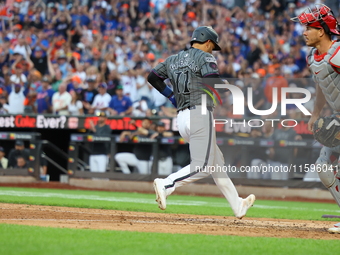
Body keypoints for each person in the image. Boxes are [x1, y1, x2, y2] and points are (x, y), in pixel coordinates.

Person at [147, 26, 255, 219]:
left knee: (216, 164)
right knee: (203, 166)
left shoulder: (173, 59)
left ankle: (237, 205)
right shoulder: (204, 57)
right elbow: (212, 80)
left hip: (182, 118)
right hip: (199, 114)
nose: (212, 50)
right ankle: (167, 184)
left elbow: (153, 77)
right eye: (212, 46)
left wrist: (171, 96)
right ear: (207, 42)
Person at [291, 4, 340, 234]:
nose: (304, 31)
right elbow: (321, 85)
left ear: (321, 30)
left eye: (308, 27)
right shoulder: (313, 57)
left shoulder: (338, 52)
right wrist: (316, 113)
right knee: (323, 167)